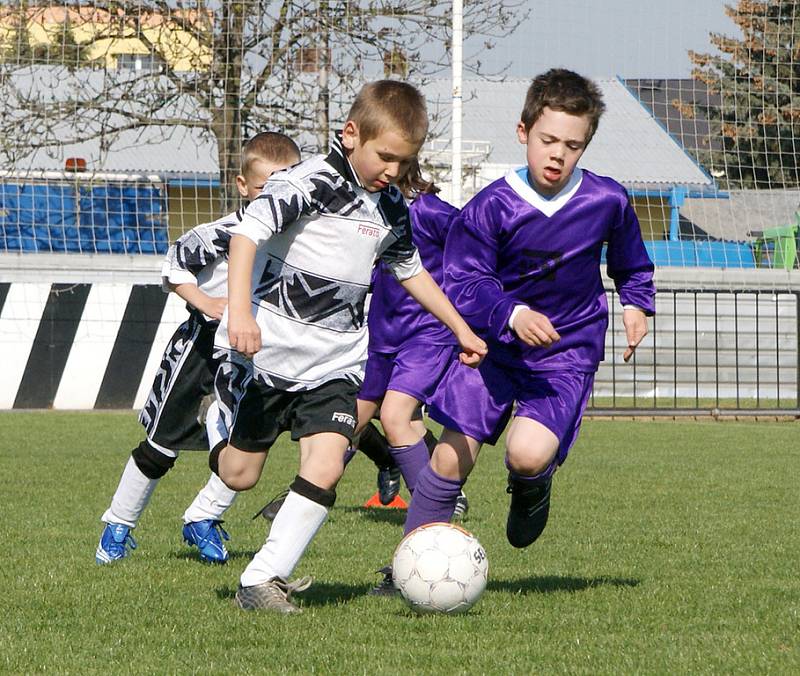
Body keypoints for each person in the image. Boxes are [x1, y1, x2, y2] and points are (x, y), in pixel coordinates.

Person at [210, 80, 487, 614]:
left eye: (404, 163)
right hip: (267, 356)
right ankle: (219, 424)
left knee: (329, 461)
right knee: (238, 474)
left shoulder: (390, 206)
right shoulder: (305, 182)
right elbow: (245, 238)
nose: (393, 172)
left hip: (335, 363)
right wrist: (240, 312)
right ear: (351, 133)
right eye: (385, 157)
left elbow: (412, 272)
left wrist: (460, 329)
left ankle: (261, 581)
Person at [401, 68, 656, 550]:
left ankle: (532, 485)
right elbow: (464, 282)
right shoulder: (491, 207)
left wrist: (636, 304)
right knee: (449, 459)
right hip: (495, 347)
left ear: (586, 145)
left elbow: (631, 262)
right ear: (524, 133)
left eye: (573, 145)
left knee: (526, 453)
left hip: (566, 349)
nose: (558, 153)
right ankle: (410, 563)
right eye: (548, 139)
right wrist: (512, 314)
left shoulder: (607, 200)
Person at [95, 132, 301, 565]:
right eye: (266, 188)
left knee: (242, 445)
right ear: (243, 186)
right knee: (160, 446)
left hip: (253, 355)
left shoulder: (298, 240)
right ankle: (117, 526)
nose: (275, 198)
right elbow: (173, 269)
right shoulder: (219, 234)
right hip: (201, 348)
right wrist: (208, 303)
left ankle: (203, 518)